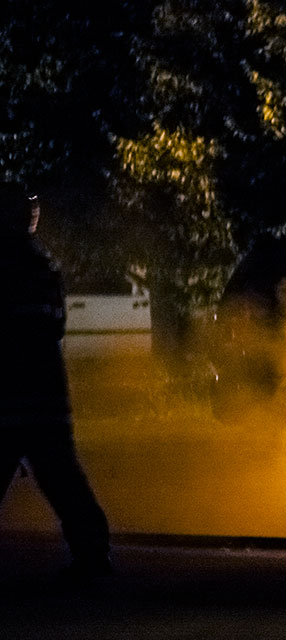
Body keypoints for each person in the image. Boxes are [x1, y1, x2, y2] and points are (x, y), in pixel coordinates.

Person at [0, 183, 111, 581]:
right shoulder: (40, 264)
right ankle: (94, 557)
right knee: (64, 480)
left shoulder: (13, 265)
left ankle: (94, 558)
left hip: (15, 396)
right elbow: (53, 325)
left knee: (63, 481)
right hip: (43, 396)